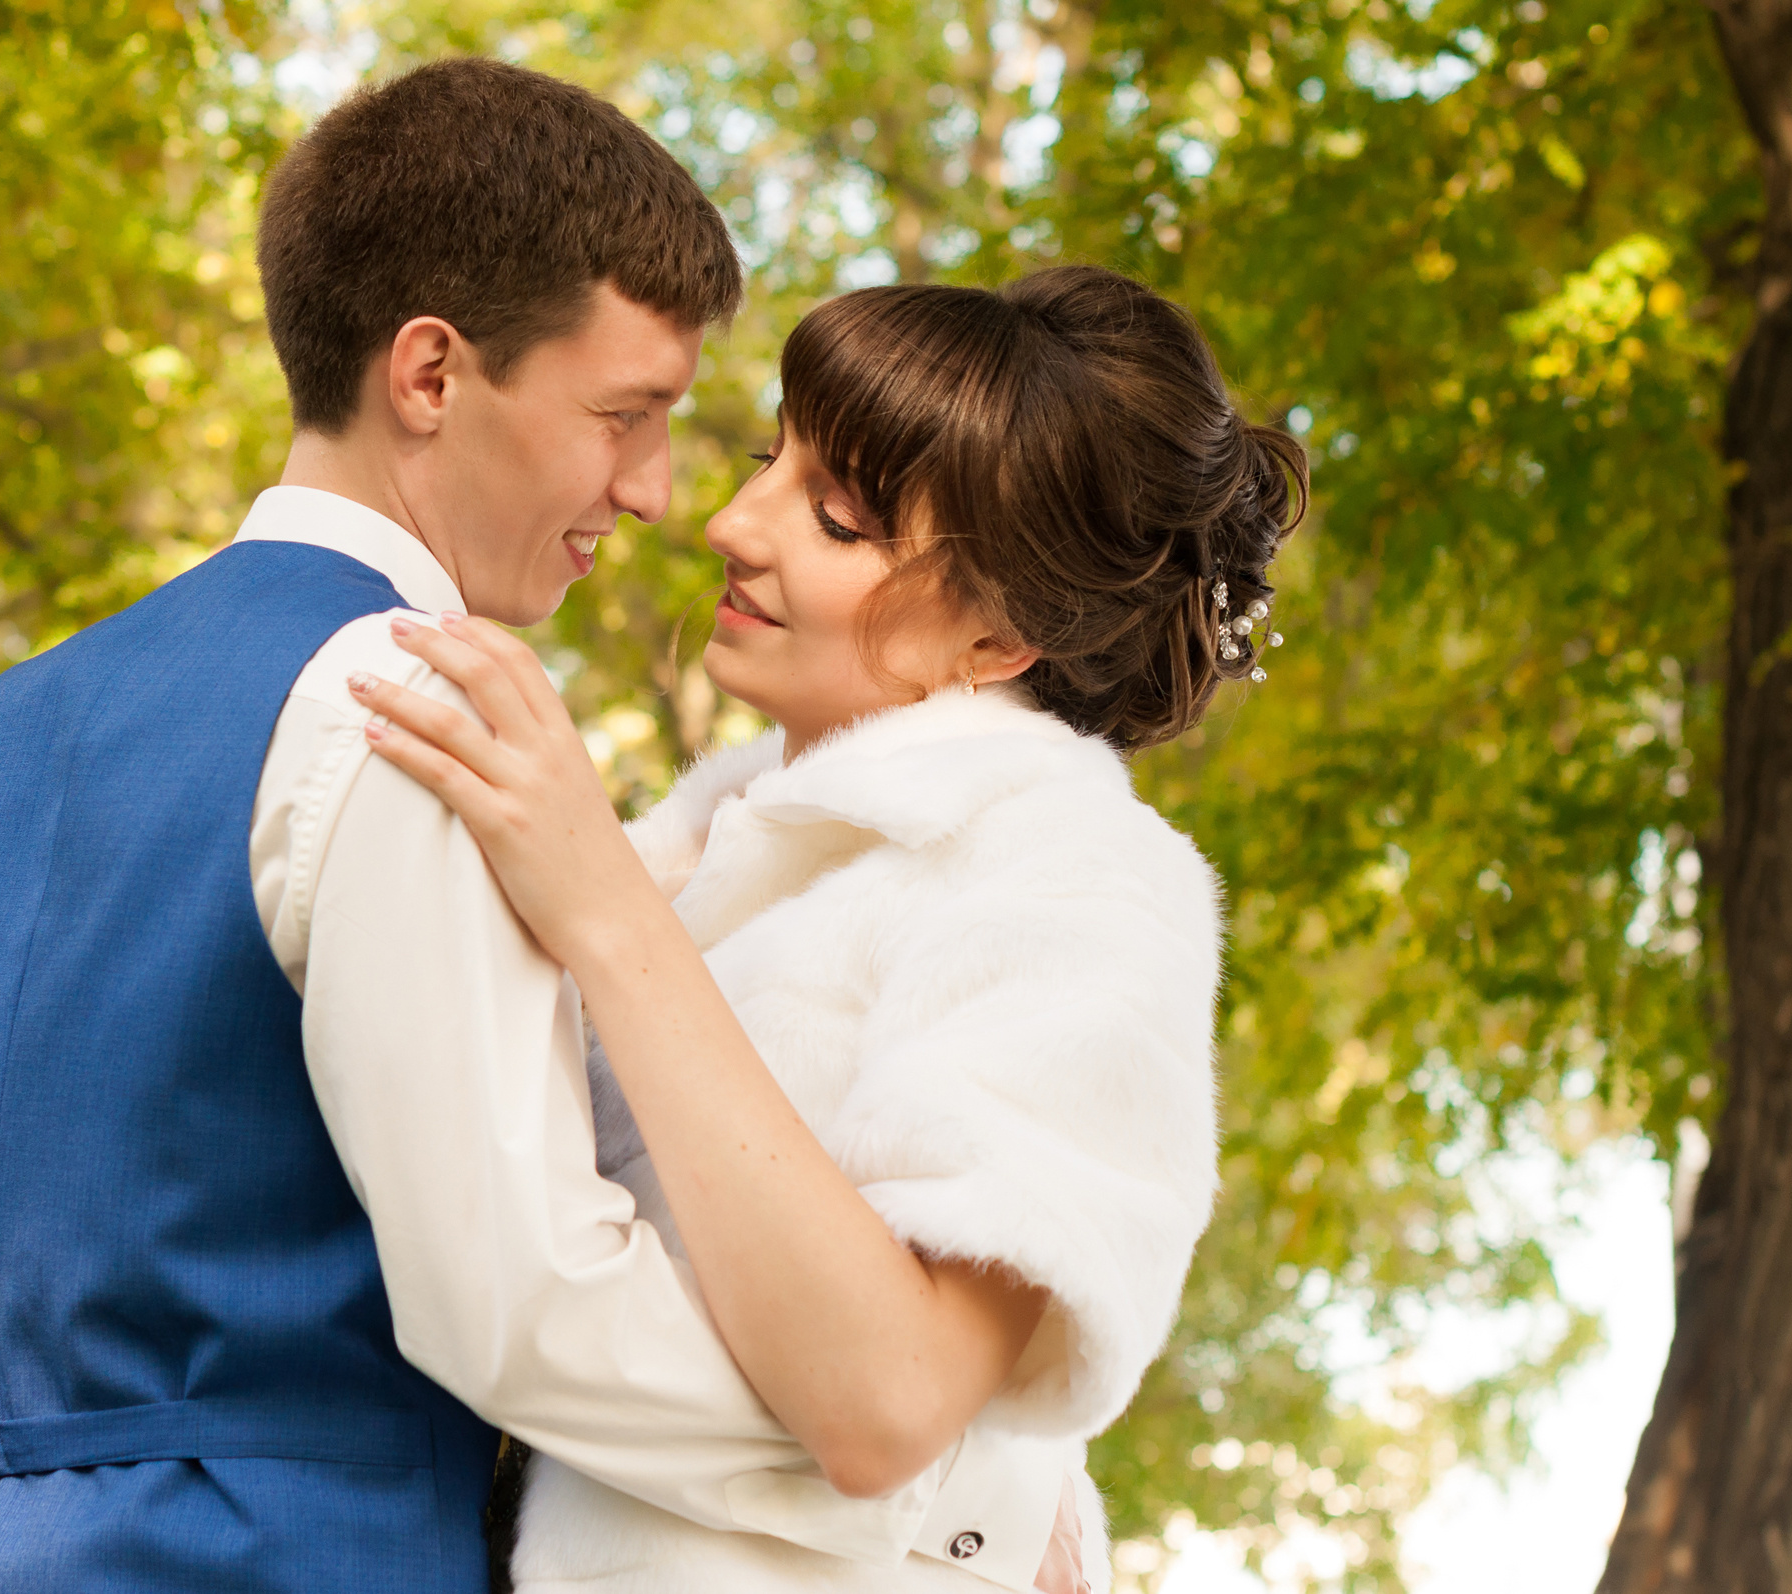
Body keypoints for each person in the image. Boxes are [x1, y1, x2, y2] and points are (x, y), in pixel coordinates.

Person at [0, 57, 1044, 1594]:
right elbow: (523, 1302)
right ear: (431, 374)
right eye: (624, 416)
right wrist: (936, 1509)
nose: (649, 493)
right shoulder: (424, 710)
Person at [351, 264, 1304, 1592]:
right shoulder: (704, 849)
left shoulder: (1069, 876)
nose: (734, 523)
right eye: (765, 459)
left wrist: (609, 918)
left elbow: (889, 1396)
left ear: (999, 635)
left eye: (839, 520)